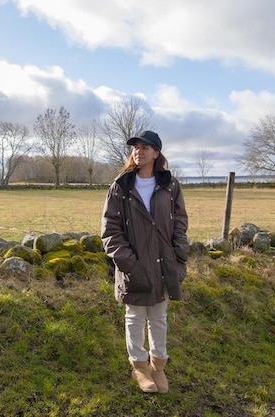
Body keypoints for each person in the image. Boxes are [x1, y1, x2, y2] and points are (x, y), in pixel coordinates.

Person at [101, 130, 189, 393]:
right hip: (134, 264)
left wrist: (178, 256)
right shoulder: (121, 186)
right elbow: (110, 230)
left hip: (164, 263)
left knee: (159, 317)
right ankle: (139, 367)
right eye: (135, 147)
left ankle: (158, 366)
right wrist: (129, 263)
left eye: (145, 147)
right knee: (135, 317)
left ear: (157, 152)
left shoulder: (170, 186)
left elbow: (180, 223)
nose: (139, 151)